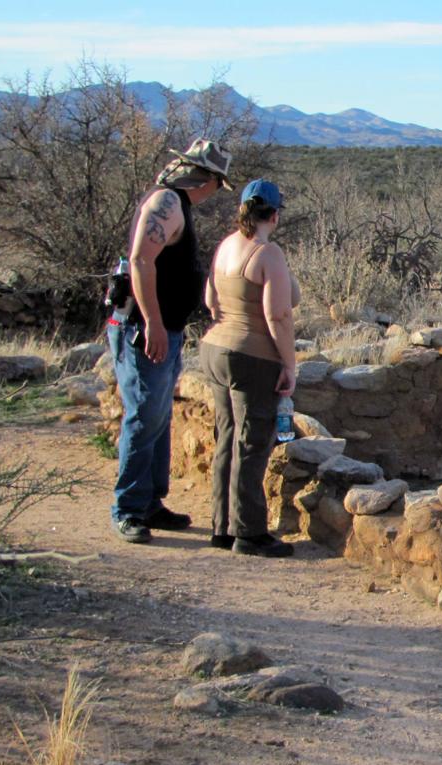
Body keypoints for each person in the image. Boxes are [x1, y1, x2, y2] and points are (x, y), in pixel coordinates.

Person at [109, 138, 233, 543]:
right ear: (205, 178)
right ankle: (128, 508)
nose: (215, 193)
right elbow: (141, 261)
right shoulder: (165, 204)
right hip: (145, 329)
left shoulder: (174, 204)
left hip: (163, 326)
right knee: (144, 415)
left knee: (158, 417)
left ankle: (149, 503)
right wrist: (153, 323)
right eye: (217, 183)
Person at [200, 179, 301, 557]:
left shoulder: (226, 245)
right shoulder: (268, 253)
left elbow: (211, 300)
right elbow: (279, 314)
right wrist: (289, 365)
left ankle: (222, 526)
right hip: (252, 356)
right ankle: (250, 533)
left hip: (215, 348)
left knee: (227, 436)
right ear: (274, 215)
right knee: (253, 441)